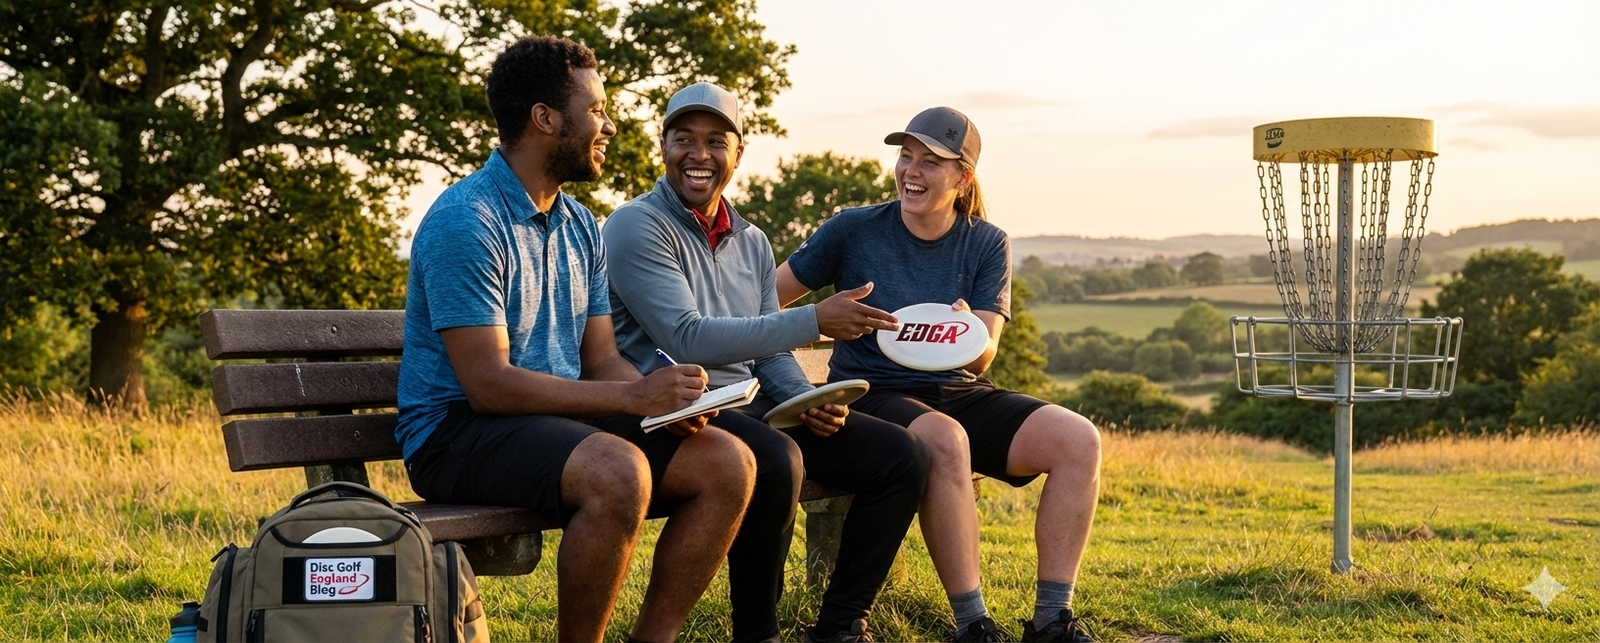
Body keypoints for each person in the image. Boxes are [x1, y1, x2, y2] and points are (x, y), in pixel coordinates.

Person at [396, 37, 765, 643]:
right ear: (545, 118)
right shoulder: (468, 221)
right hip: (454, 433)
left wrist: (666, 401)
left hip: (553, 420)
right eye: (595, 109)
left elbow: (600, 362)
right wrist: (632, 401)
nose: (610, 124)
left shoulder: (579, 227)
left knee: (730, 462)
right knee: (617, 470)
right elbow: (487, 385)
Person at [604, 82, 931, 643]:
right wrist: (814, 321)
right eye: (684, 139)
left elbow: (768, 351)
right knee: (779, 459)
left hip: (747, 406)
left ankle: (839, 626)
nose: (698, 155)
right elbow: (685, 338)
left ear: (737, 152)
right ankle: (758, 632)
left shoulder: (751, 240)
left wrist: (807, 402)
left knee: (901, 456)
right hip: (677, 409)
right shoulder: (635, 225)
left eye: (714, 141)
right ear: (664, 146)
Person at [775, 107, 1102, 643]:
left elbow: (983, 356)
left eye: (931, 162)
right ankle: (972, 625)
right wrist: (810, 338)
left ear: (962, 177)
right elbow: (767, 303)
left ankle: (1051, 622)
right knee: (946, 440)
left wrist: (969, 331)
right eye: (906, 156)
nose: (912, 171)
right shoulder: (853, 230)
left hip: (959, 389)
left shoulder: (987, 241)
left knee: (1078, 440)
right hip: (871, 394)